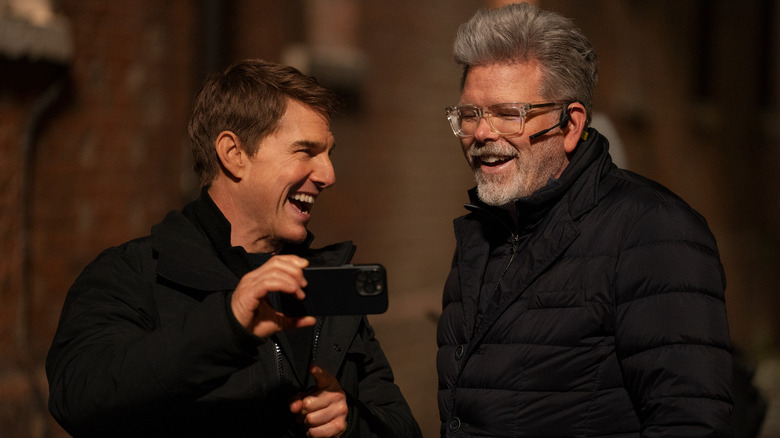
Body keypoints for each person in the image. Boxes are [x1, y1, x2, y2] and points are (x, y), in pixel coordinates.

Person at [46, 59, 422, 438]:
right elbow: (79, 398)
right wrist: (227, 325)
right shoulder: (130, 275)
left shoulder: (324, 284)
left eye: (329, 153)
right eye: (305, 151)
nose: (328, 175)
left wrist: (348, 423)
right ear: (233, 154)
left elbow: (401, 426)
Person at [437, 3, 733, 437]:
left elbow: (689, 421)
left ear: (570, 124)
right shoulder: (482, 234)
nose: (482, 134)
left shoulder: (655, 232)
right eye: (470, 115)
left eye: (507, 114)